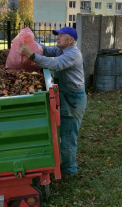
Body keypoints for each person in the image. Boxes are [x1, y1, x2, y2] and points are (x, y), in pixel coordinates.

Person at [17, 27, 87, 178]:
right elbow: (47, 51)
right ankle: (65, 164)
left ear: (71, 40)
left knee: (68, 137)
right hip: (67, 96)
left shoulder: (72, 54)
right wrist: (32, 43)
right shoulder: (63, 50)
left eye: (62, 35)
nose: (58, 37)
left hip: (73, 99)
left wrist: (31, 55)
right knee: (63, 134)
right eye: (58, 35)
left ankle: (69, 171)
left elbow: (55, 65)